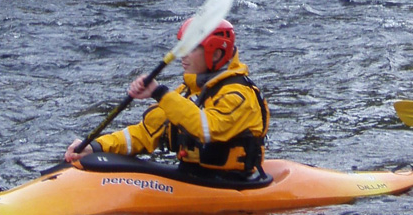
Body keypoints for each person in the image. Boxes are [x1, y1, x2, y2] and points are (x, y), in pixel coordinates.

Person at [65, 18, 269, 179]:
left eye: (191, 48)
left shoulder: (240, 96)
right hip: (196, 179)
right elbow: (145, 134)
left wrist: (159, 93)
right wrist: (96, 147)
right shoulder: (187, 94)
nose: (183, 55)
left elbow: (207, 128)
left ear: (216, 54)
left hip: (231, 185)